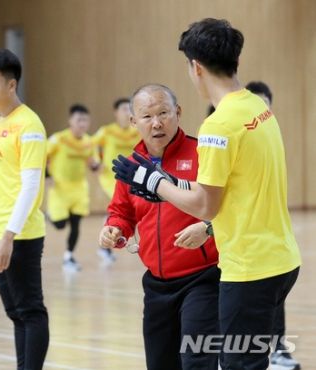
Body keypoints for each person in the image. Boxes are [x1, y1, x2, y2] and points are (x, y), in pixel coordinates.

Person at [112, 18, 301, 370]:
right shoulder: (258, 108)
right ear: (236, 61)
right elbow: (231, 187)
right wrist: (169, 187)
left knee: (237, 365)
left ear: (195, 67)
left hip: (248, 269)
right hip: (280, 259)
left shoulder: (218, 125)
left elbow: (205, 204)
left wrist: (153, 182)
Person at [100, 84, 220, 370]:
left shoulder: (202, 153)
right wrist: (114, 229)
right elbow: (121, 211)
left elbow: (227, 204)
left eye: (164, 113)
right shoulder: (131, 166)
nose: (157, 123)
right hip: (156, 286)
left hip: (204, 280)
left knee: (196, 361)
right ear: (133, 122)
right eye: (147, 116)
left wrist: (207, 226)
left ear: (177, 112)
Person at [0, 48, 49, 370]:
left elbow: (31, 186)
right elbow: (2, 184)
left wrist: (8, 236)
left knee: (30, 311)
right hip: (0, 232)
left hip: (20, 234)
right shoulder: (1, 123)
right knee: (16, 313)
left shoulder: (29, 124)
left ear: (11, 85)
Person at [246, 80, 300, 370]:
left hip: (270, 238)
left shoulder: (271, 135)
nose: (261, 108)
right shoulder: (223, 130)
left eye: (265, 103)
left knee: (274, 297)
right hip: (235, 240)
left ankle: (278, 349)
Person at [47, 104, 100, 271]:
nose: (82, 124)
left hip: (79, 189)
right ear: (70, 121)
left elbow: (94, 164)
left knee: (76, 224)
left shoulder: (89, 142)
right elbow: (42, 155)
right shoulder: (58, 139)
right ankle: (50, 216)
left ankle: (69, 257)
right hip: (60, 188)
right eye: (79, 120)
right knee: (60, 224)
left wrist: (95, 165)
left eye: (85, 120)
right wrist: (47, 176)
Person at [92, 98, 140, 265]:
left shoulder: (136, 131)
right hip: (109, 178)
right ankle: (107, 243)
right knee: (118, 206)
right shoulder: (106, 131)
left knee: (129, 209)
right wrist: (96, 161)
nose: (127, 113)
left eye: (130, 109)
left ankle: (110, 241)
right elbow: (90, 145)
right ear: (116, 113)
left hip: (132, 178)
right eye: (124, 109)